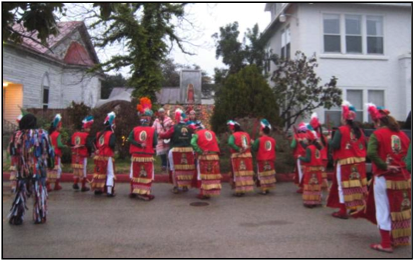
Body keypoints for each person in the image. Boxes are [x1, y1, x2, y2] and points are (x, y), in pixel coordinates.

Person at [354, 104, 411, 253]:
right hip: (403, 178)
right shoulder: (403, 136)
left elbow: (371, 153)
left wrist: (384, 166)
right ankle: (396, 238)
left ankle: (386, 243)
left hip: (385, 177)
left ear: (378, 122)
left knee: (383, 210)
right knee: (399, 208)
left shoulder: (377, 134)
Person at [8, 114, 54, 225]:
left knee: (21, 191)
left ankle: (16, 216)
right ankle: (39, 216)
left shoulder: (16, 135)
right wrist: (50, 163)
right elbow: (50, 151)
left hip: (22, 168)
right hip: (38, 168)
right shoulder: (42, 134)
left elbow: (12, 151)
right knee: (39, 191)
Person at [327, 101, 367, 219]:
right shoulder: (359, 130)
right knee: (356, 185)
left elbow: (335, 145)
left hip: (345, 161)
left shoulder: (341, 130)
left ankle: (343, 210)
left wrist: (329, 140)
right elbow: (364, 144)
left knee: (342, 186)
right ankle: (354, 208)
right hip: (358, 162)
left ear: (344, 118)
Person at [128, 97, 158, 201]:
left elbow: (129, 139)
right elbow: (155, 142)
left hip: (136, 155)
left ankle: (133, 191)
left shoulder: (135, 129)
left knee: (134, 172)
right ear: (149, 120)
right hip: (147, 156)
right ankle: (145, 193)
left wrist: (138, 144)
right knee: (147, 173)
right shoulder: (152, 130)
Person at [160, 109, 195, 194]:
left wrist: (160, 133)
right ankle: (185, 186)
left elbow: (166, 135)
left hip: (175, 150)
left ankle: (175, 186)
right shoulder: (190, 128)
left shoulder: (174, 128)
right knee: (186, 168)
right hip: (189, 150)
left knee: (173, 168)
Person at [191, 124, 222, 200]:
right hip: (214, 156)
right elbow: (218, 142)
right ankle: (209, 192)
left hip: (204, 157)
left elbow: (192, 143)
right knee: (212, 174)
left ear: (197, 129)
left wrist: (199, 151)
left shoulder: (197, 134)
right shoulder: (212, 133)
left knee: (202, 174)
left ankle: (202, 193)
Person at [91, 112, 116, 197]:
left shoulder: (99, 133)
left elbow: (93, 141)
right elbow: (112, 144)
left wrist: (96, 149)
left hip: (98, 156)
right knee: (110, 173)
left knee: (99, 172)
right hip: (107, 156)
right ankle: (109, 191)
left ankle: (98, 189)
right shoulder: (111, 134)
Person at [227, 120, 255, 197]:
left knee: (237, 173)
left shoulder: (233, 135)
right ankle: (243, 189)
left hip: (237, 156)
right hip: (247, 156)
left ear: (233, 129)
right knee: (245, 172)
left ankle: (239, 190)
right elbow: (250, 143)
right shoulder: (246, 134)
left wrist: (237, 148)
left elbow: (230, 143)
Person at [299, 128, 324, 208]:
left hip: (310, 169)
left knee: (310, 185)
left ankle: (310, 202)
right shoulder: (318, 147)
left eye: (306, 139)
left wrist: (300, 157)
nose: (305, 140)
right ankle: (317, 201)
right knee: (316, 184)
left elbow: (307, 159)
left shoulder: (309, 148)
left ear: (309, 140)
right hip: (318, 169)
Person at [252, 119, 277, 195]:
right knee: (269, 174)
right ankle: (268, 188)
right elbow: (277, 148)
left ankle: (264, 189)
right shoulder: (273, 140)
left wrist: (252, 143)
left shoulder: (258, 140)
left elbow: (254, 148)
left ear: (262, 131)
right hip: (270, 160)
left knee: (262, 175)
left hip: (262, 160)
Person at [70, 116, 94, 192]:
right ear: (86, 128)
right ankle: (83, 186)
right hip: (82, 155)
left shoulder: (75, 134)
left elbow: (69, 142)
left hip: (74, 155)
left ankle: (75, 183)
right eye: (89, 128)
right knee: (83, 170)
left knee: (76, 170)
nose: (89, 130)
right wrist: (90, 153)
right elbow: (89, 145)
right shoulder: (86, 136)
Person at [310, 113, 329, 190]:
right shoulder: (323, 137)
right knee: (322, 174)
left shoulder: (312, 136)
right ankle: (323, 187)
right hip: (324, 158)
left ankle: (326, 188)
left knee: (318, 175)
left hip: (318, 158)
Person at [47, 114, 67, 192]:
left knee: (49, 169)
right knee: (58, 170)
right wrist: (64, 145)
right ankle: (56, 185)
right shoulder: (57, 134)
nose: (61, 128)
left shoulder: (50, 134)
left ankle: (48, 185)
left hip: (50, 154)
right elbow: (59, 144)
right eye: (60, 126)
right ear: (57, 127)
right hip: (56, 154)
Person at [291, 122, 310, 194]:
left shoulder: (296, 136)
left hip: (300, 156)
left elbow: (292, 146)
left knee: (300, 172)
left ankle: (303, 187)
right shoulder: (308, 135)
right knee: (306, 171)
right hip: (308, 156)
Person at [8, 114, 23, 193]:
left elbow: (10, 144)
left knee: (14, 171)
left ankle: (14, 187)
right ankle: (18, 186)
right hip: (19, 155)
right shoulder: (22, 133)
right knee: (19, 170)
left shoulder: (15, 133)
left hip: (14, 155)